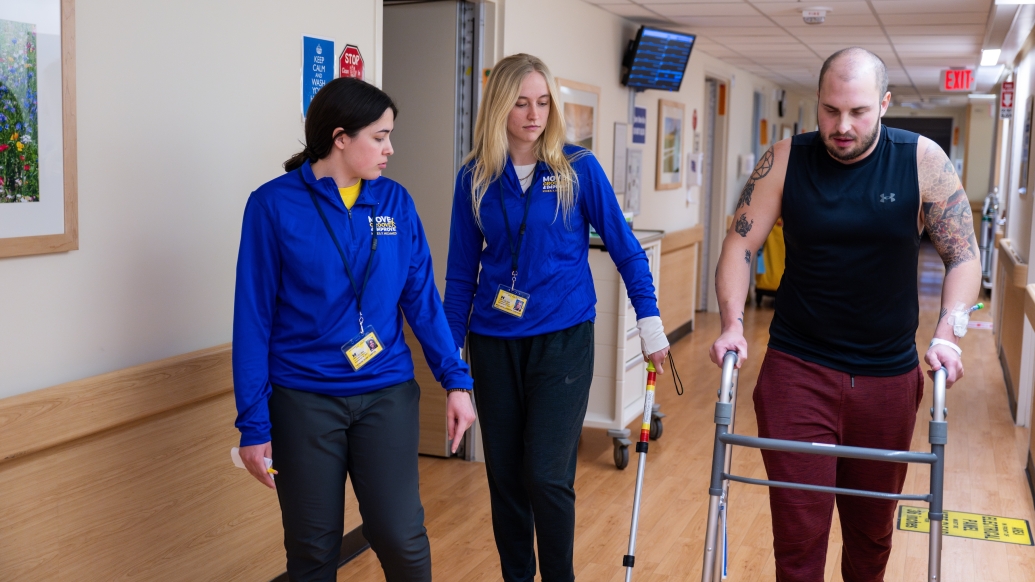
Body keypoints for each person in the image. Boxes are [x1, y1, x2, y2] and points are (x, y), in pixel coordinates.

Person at [710, 47, 980, 582]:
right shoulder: (786, 159)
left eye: (857, 111)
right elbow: (739, 247)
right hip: (797, 369)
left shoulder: (921, 160)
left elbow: (964, 256)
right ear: (819, 103)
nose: (842, 125)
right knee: (799, 536)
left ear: (883, 103)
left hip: (886, 378)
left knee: (871, 533)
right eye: (831, 110)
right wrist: (732, 324)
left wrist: (949, 330)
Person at [232, 77, 476, 582]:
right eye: (380, 136)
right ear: (341, 137)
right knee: (312, 549)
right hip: (303, 401)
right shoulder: (272, 206)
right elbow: (252, 320)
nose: (391, 148)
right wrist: (253, 424)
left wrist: (456, 380)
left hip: (385, 392)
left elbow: (422, 302)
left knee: (398, 534)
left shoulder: (395, 203)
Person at [443, 53, 670, 582]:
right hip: (493, 342)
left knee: (545, 475)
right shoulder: (473, 179)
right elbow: (459, 278)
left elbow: (626, 249)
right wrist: (451, 358)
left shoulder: (576, 169)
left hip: (563, 340)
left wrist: (650, 321)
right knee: (505, 478)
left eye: (543, 101)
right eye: (520, 102)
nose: (533, 114)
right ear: (499, 106)